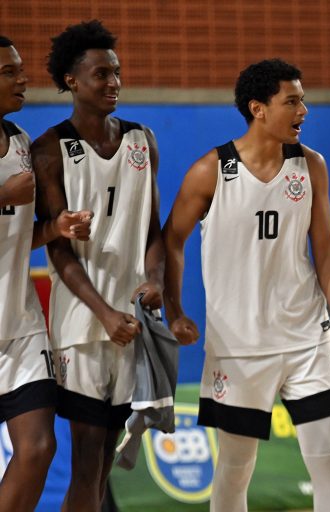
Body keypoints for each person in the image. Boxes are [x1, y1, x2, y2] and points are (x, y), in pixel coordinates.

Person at [162, 58, 330, 512]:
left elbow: (325, 248)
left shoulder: (311, 165)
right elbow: (170, 241)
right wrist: (174, 310)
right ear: (258, 108)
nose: (303, 110)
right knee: (235, 468)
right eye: (292, 101)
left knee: (326, 460)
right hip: (239, 346)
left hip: (306, 338)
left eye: (303, 100)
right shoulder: (211, 170)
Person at [31, 21, 165, 512]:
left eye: (117, 72)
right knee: (88, 462)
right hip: (83, 328)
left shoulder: (142, 140)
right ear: (72, 80)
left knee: (105, 462)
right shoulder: (50, 149)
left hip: (130, 323)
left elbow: (153, 229)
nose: (114, 82)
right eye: (101, 74)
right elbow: (58, 249)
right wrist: (104, 314)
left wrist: (156, 280)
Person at [0, 35, 92, 512]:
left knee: (38, 448)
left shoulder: (19, 141)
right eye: (8, 72)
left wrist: (55, 227)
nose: (23, 79)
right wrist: (2, 196)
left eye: (20, 69)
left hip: (19, 326)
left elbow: (15, 233)